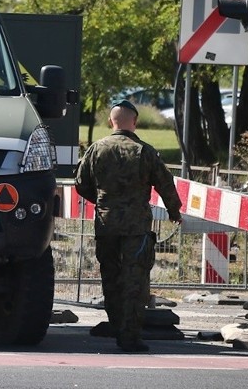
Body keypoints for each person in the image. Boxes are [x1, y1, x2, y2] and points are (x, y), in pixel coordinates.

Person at [74, 99, 182, 353]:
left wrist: (103, 201)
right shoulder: (144, 151)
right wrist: (174, 211)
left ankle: (115, 324)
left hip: (106, 223)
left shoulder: (96, 149)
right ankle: (129, 336)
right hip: (136, 226)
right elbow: (165, 183)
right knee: (134, 279)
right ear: (135, 122)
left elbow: (81, 183)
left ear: (111, 122)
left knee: (110, 276)